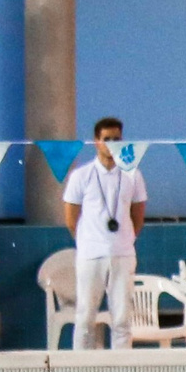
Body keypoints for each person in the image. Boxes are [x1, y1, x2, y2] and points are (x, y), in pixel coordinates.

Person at [62, 116, 148, 351]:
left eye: (116, 139)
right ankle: (80, 371)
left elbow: (138, 215)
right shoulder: (81, 175)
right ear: (96, 142)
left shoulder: (133, 175)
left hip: (123, 254)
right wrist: (89, 242)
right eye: (106, 139)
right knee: (85, 317)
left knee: (122, 319)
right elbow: (71, 218)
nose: (111, 144)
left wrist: (125, 240)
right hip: (91, 255)